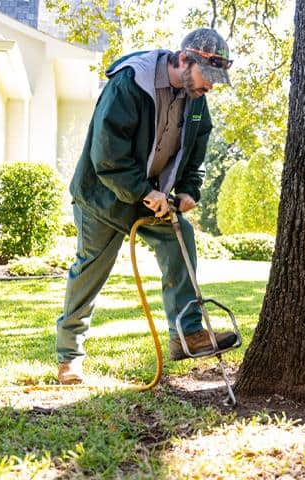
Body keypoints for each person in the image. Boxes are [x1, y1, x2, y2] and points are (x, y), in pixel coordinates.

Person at [56, 28, 238, 384]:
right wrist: (143, 191)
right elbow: (106, 156)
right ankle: (69, 358)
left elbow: (197, 148)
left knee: (179, 235)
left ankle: (187, 335)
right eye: (208, 77)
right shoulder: (130, 83)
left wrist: (188, 189)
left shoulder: (197, 102)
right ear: (185, 60)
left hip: (150, 197)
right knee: (90, 270)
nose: (211, 87)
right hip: (103, 195)